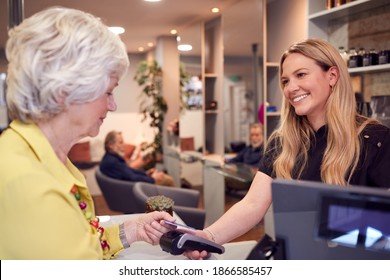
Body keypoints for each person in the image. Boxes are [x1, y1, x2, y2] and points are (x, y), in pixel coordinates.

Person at [187, 38, 390, 259]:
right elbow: (252, 205)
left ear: (332, 76)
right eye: (285, 80)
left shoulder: (375, 140)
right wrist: (207, 236)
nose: (291, 88)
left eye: (301, 75)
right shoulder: (283, 142)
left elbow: (383, 227)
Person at [0, 7, 176, 259]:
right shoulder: (31, 187)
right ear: (65, 90)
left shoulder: (40, 156)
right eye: (108, 92)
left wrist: (133, 229)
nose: (112, 105)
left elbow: (80, 241)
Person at [100, 130, 175, 186]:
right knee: (168, 180)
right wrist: (153, 179)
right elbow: (132, 178)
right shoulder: (113, 162)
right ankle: (176, 205)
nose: (124, 145)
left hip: (132, 187)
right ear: (110, 145)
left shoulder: (111, 158)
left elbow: (129, 171)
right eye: (120, 142)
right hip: (135, 189)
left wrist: (146, 174)